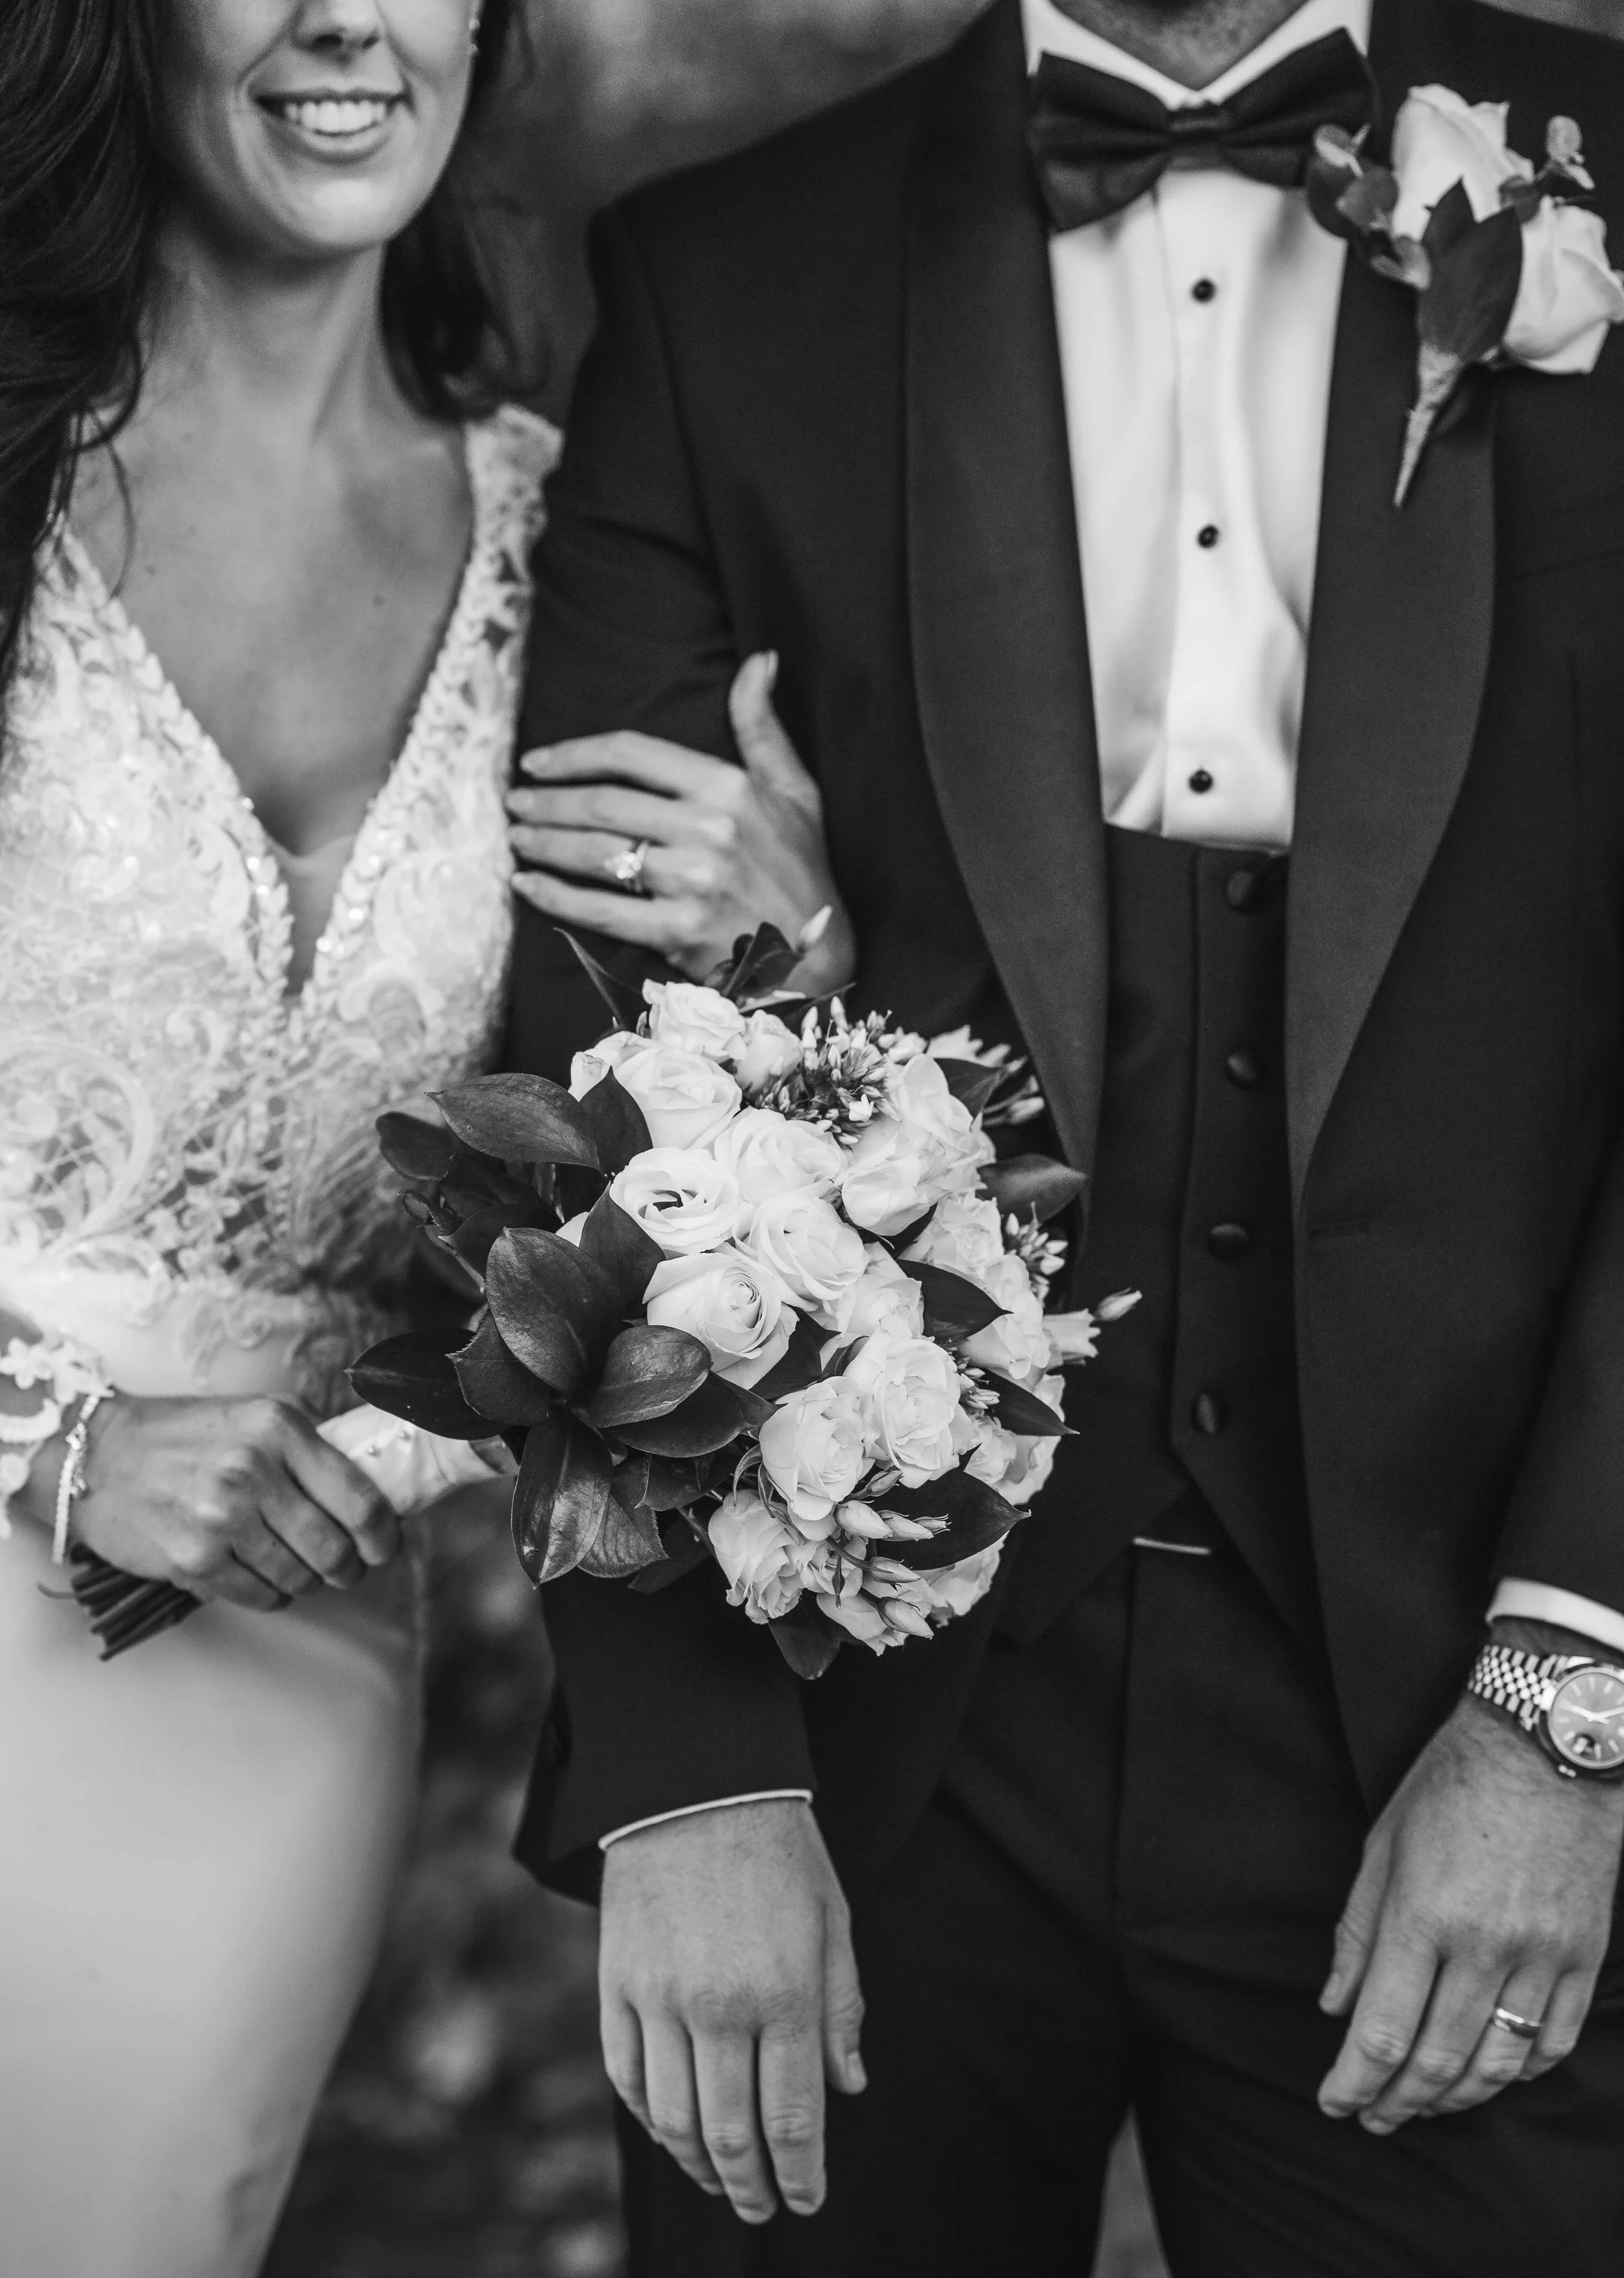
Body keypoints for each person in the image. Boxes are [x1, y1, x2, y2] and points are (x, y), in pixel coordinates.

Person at [507, 0, 1624, 2270]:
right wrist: (694, 1764)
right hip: (858, 1722)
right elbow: (590, 1026)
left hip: (1453, 1704)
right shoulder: (731, 271)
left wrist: (1568, 1698)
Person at [0, 3, 553, 2270]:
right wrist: (48, 1442)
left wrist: (784, 933)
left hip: (280, 1658)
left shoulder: (574, 516)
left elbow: (604, 1153)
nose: (348, 18)